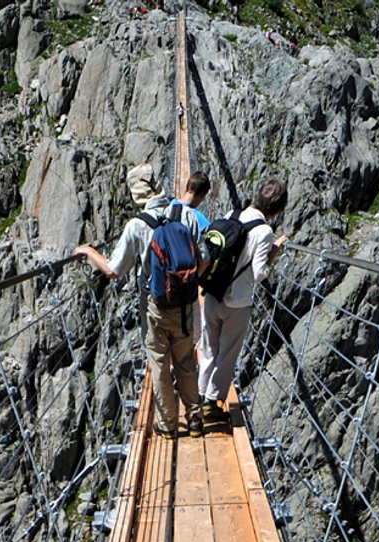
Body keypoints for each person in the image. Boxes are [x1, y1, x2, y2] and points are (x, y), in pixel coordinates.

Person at [77, 164, 204, 436]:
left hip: (155, 307)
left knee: (159, 364)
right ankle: (195, 418)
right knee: (185, 361)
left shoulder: (136, 226)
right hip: (185, 304)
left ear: (136, 196)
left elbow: (113, 270)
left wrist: (89, 252)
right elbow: (201, 259)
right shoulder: (187, 215)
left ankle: (168, 425)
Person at [198, 177, 288, 427]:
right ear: (278, 208)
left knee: (208, 347)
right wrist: (274, 249)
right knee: (226, 353)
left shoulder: (232, 213)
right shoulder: (264, 231)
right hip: (236, 303)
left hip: (213, 292)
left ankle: (199, 395)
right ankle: (212, 403)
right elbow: (259, 273)